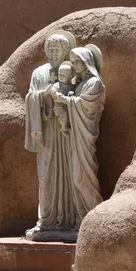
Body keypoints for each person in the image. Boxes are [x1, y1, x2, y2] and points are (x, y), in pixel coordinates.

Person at [25, 31, 78, 240]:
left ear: (65, 51)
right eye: (51, 50)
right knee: (46, 173)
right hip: (46, 130)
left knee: (69, 169)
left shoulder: (72, 70)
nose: (54, 53)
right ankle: (47, 221)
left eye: (58, 50)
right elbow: (30, 97)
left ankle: (72, 218)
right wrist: (45, 94)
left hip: (67, 133)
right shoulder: (39, 73)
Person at [51, 46, 105, 224]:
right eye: (72, 62)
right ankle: (83, 220)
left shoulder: (95, 83)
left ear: (87, 62)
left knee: (82, 177)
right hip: (75, 135)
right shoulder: (79, 83)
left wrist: (63, 99)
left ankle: (95, 219)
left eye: (78, 61)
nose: (74, 65)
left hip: (85, 135)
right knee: (76, 178)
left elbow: (85, 106)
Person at [51, 61, 75, 135]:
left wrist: (71, 94)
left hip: (67, 106)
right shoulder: (56, 85)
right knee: (64, 115)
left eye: (63, 75)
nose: (60, 76)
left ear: (70, 76)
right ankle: (63, 128)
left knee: (70, 116)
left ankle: (67, 126)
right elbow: (53, 91)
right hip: (59, 106)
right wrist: (56, 94)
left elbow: (73, 93)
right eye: (59, 74)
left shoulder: (71, 86)